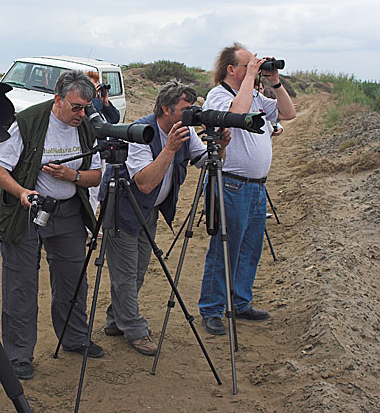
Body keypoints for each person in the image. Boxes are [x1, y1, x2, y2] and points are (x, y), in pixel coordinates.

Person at [99, 81, 229, 355]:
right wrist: (169, 149)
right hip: (122, 210)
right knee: (125, 274)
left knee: (137, 271)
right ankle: (134, 328)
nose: (191, 114)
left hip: (147, 212)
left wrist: (220, 147)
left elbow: (205, 162)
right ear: (167, 109)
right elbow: (144, 183)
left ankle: (115, 320)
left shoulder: (183, 131)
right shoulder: (140, 132)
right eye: (185, 109)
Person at [0, 70, 104, 380]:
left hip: (68, 213)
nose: (81, 114)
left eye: (86, 107)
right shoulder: (28, 123)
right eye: (76, 107)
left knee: (72, 280)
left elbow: (97, 175)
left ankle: (75, 338)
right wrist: (23, 192)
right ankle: (18, 356)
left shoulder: (88, 127)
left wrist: (73, 177)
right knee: (21, 286)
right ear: (58, 99)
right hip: (26, 214)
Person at [198, 43, 296, 335]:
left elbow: (287, 113)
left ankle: (240, 302)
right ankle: (212, 308)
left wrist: (273, 81)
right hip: (230, 184)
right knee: (225, 248)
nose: (254, 69)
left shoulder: (255, 95)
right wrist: (252, 77)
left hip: (256, 188)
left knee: (250, 248)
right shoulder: (219, 95)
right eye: (248, 65)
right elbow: (235, 116)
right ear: (232, 69)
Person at [86, 71, 120, 217]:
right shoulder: (87, 105)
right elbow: (93, 112)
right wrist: (97, 99)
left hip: (102, 153)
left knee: (96, 191)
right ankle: (89, 225)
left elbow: (115, 118)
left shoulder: (100, 103)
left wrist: (106, 101)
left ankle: (91, 223)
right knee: (91, 191)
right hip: (92, 152)